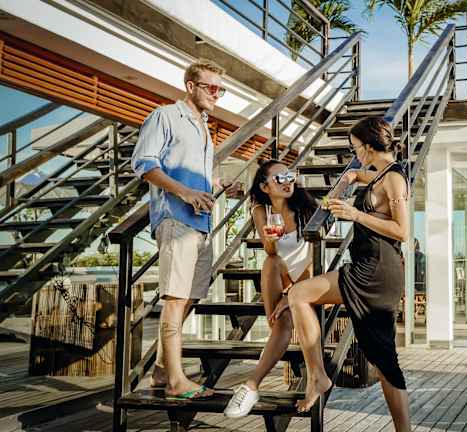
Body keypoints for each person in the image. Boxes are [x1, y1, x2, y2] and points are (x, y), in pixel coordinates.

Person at [271, 116, 410, 430]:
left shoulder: (394, 179)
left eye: (355, 147)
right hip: (367, 266)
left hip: (377, 272)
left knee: (300, 294)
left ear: (368, 146)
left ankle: (318, 376)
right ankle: (319, 376)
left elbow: (402, 230)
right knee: (383, 361)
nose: (354, 153)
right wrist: (347, 180)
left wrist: (354, 214)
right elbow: (356, 174)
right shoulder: (380, 173)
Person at [131, 59, 241, 400]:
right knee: (176, 299)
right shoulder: (165, 116)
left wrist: (217, 184)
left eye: (221, 89)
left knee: (190, 297)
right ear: (190, 85)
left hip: (201, 224)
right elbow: (144, 164)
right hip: (176, 220)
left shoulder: (203, 127)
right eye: (211, 87)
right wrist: (184, 193)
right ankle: (177, 381)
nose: (217, 94)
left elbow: (192, 173)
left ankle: (162, 370)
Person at [223, 160, 317, 417]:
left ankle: (251, 384)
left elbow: (314, 260)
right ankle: (251, 388)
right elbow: (270, 251)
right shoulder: (260, 210)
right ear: (265, 187)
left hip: (310, 280)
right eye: (279, 178)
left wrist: (293, 293)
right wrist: (272, 241)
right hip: (282, 275)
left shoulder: (308, 208)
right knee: (271, 264)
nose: (287, 181)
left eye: (289, 176)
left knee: (283, 318)